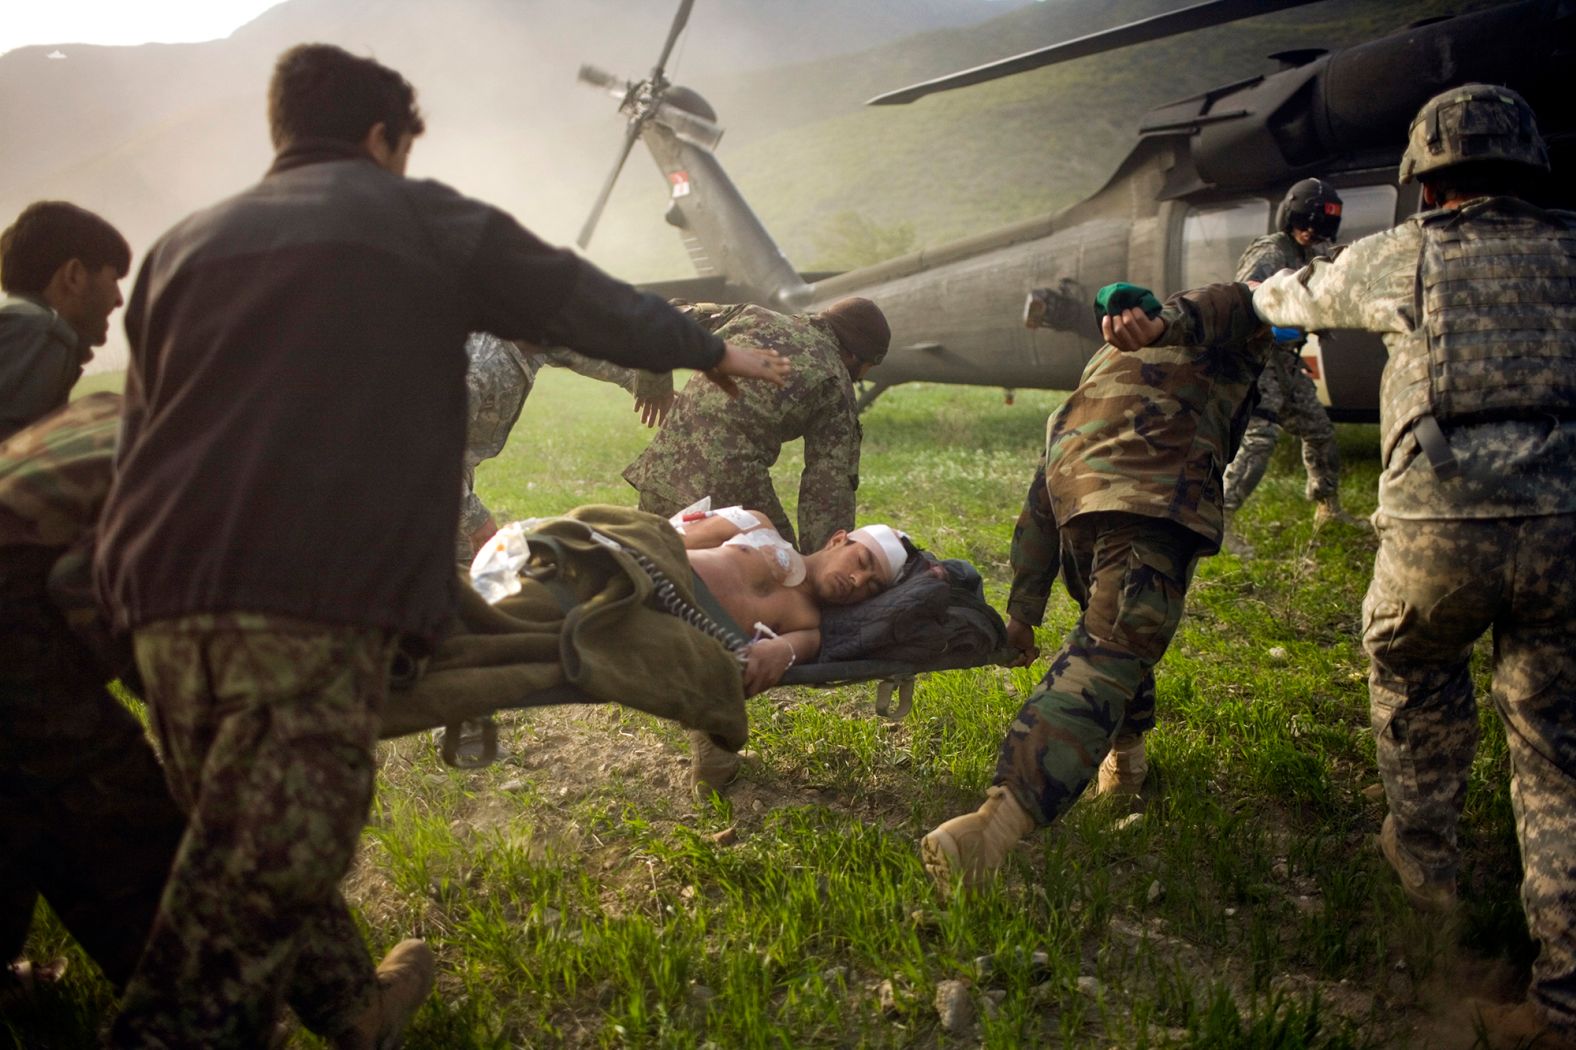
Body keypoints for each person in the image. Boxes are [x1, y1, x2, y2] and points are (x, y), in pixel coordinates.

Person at [93, 43, 788, 1049]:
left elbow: (140, 430)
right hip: (299, 609)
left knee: (242, 850)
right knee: (222, 942)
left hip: (160, 610)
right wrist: (706, 346)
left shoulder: (183, 246)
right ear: (382, 138)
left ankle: (351, 1008)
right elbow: (572, 292)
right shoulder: (411, 216)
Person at [1250, 84, 1576, 1050]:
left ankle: (1431, 893)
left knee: (1413, 676)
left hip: (1439, 527)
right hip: (1567, 524)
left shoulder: (1403, 254)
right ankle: (1562, 1005)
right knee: (1558, 752)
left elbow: (1286, 299)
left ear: (1425, 185)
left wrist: (1274, 277)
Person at [920, 281, 1270, 890]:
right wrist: (1173, 320)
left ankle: (1126, 766)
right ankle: (995, 826)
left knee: (1115, 628)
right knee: (1109, 652)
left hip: (1074, 499)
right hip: (1148, 495)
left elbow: (1041, 485)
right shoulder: (1234, 318)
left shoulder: (1104, 360)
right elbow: (1239, 299)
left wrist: (1024, 609)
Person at [0, 395, 185, 999]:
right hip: (14, 649)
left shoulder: (126, 411)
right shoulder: (179, 462)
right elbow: (74, 580)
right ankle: (184, 1014)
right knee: (129, 821)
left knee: (19, 822)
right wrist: (156, 688)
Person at [670, 504, 908, 793]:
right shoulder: (755, 525)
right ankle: (718, 759)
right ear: (837, 539)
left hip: (672, 638)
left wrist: (767, 655)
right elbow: (665, 537)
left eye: (871, 587)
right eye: (861, 560)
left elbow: (777, 655)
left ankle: (717, 760)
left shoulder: (808, 626)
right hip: (649, 576)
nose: (857, 580)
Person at [623, 298, 890, 554]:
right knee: (787, 573)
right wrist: (824, 559)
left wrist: (652, 386)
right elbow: (828, 489)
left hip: (661, 473)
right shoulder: (835, 381)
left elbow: (666, 318)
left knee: (649, 567)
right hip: (727, 495)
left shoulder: (752, 315)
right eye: (871, 365)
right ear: (855, 355)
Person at [1219, 179, 1351, 552]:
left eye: (1319, 228)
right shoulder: (1271, 251)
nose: (1311, 233)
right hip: (1258, 358)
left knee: (1320, 432)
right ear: (1290, 219)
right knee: (1260, 437)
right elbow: (1245, 299)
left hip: (1288, 361)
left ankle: (1328, 509)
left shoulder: (1314, 252)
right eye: (1304, 225)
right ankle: (1221, 519)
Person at [458, 332, 671, 562]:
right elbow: (424, 455)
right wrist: (475, 517)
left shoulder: (530, 336)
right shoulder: (476, 366)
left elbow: (581, 353)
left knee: (465, 568)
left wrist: (642, 383)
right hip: (428, 479)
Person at [0, 201, 129, 441]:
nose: (119, 300)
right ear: (74, 275)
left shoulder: (18, 323)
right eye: (114, 279)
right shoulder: (41, 332)